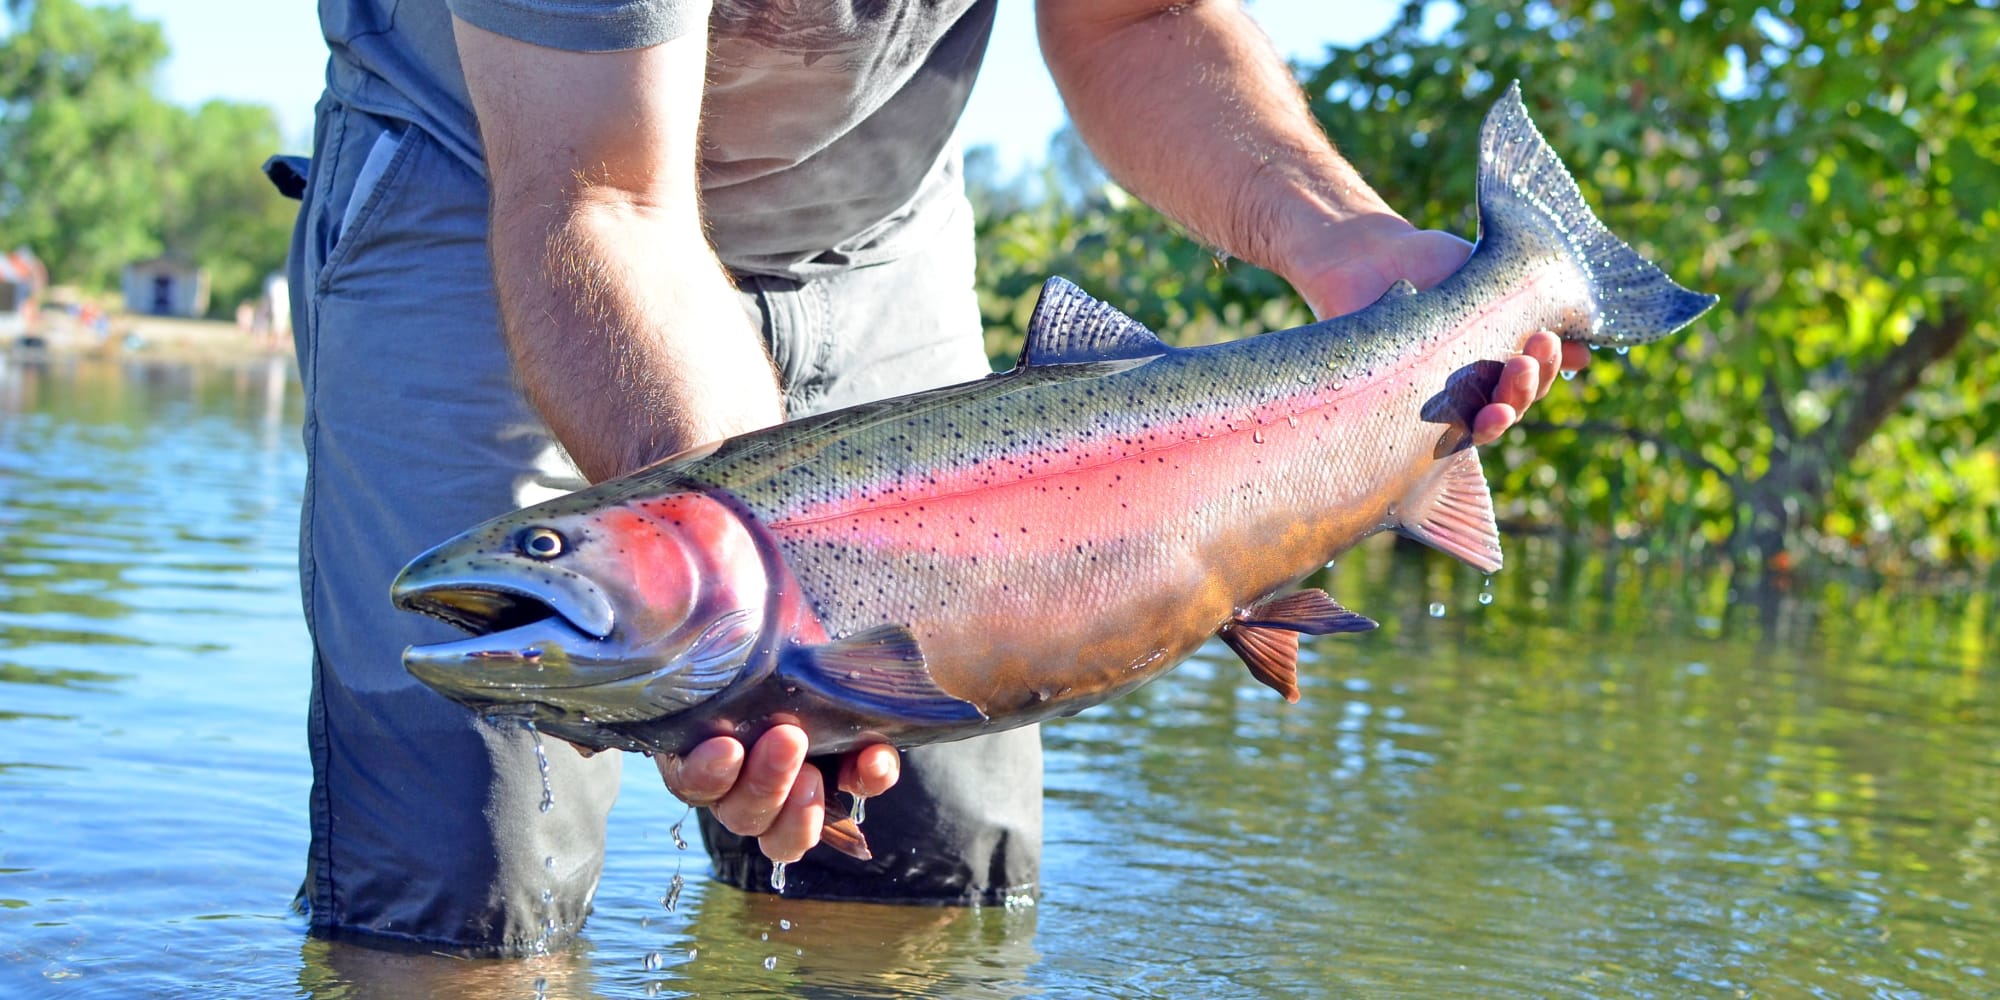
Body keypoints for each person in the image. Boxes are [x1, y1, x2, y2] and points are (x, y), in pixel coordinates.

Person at [283, 0, 1582, 954]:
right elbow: (603, 203)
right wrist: (774, 597)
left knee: (931, 872)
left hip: (874, 212)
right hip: (507, 182)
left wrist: (1345, 242)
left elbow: (1140, 18)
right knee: (468, 873)